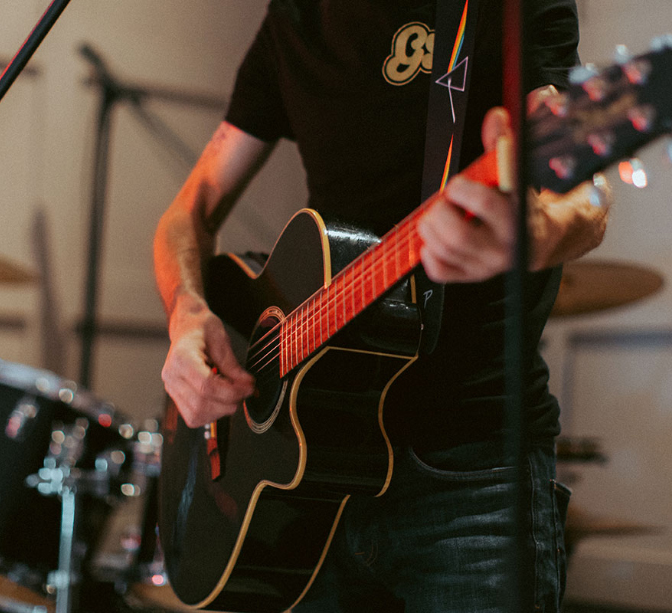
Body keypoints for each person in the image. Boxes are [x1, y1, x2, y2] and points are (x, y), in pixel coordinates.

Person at [153, 1, 610, 611]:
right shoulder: (295, 17)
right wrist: (186, 315)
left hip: (470, 472)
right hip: (306, 479)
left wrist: (534, 230)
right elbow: (188, 211)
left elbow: (582, 189)